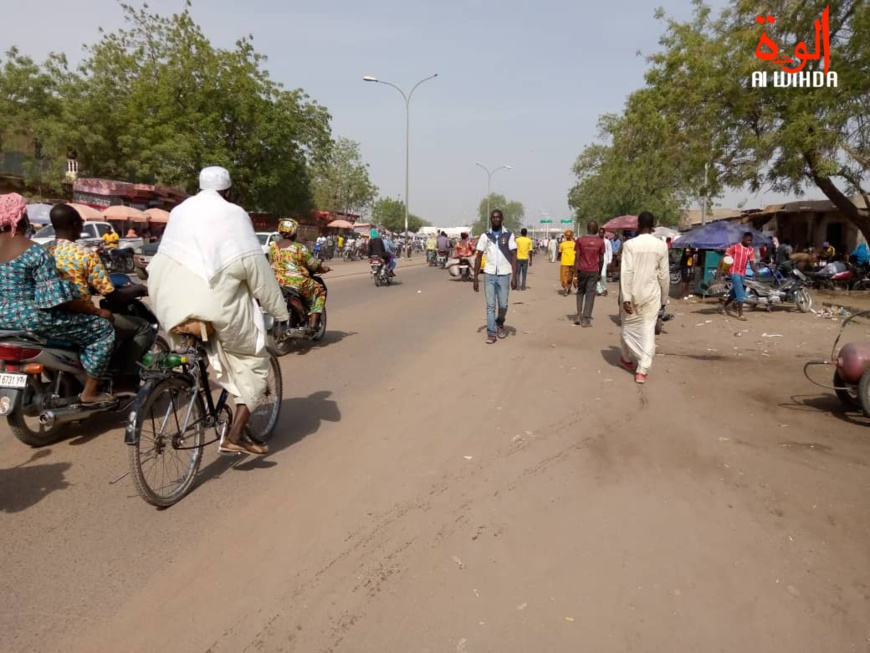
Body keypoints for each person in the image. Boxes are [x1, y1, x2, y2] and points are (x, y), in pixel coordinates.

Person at [147, 166, 290, 456]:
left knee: (197, 356)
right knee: (253, 362)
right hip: (214, 310)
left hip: (169, 306)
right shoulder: (235, 215)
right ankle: (235, 434)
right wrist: (281, 314)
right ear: (228, 191)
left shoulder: (179, 212)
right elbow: (258, 273)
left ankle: (196, 391)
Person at [0, 193, 116, 405]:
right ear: (21, 217)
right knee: (102, 329)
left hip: (2, 322)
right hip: (32, 320)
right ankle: (91, 391)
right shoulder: (34, 251)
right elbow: (56, 299)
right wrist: (97, 311)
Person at [47, 204, 152, 392]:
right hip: (82, 317)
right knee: (143, 328)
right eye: (81, 222)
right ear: (75, 224)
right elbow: (112, 295)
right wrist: (137, 289)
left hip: (50, 317)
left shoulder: (43, 251)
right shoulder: (84, 253)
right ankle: (123, 380)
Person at [618, 211, 669, 384]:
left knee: (627, 327)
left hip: (631, 292)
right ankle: (642, 369)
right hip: (651, 294)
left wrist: (626, 297)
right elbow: (664, 275)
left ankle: (627, 358)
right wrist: (664, 299)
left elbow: (626, 272)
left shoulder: (630, 245)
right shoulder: (661, 246)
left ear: (638, 225)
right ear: (653, 225)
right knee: (647, 330)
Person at [269, 218, 330, 331]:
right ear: (293, 233)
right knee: (320, 291)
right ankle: (313, 324)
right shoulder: (300, 248)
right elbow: (314, 266)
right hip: (296, 282)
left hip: (276, 282)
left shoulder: (273, 247)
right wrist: (324, 269)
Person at [473, 209, 517, 344]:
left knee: (503, 305)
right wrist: (475, 277)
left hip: (504, 274)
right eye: (493, 217)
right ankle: (491, 333)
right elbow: (478, 257)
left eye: (498, 217)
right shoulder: (485, 236)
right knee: (490, 306)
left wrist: (514, 277)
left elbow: (514, 255)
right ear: (491, 219)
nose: (496, 219)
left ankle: (500, 322)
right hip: (489, 274)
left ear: (502, 219)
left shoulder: (508, 235)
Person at [721, 231, 758, 322]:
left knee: (735, 292)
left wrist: (756, 271)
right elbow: (724, 257)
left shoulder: (750, 250)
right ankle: (740, 314)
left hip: (742, 273)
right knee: (740, 292)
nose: (749, 242)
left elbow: (752, 263)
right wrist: (720, 270)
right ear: (743, 239)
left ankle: (724, 306)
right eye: (747, 240)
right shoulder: (735, 247)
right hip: (733, 271)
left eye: (750, 240)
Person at [574, 221, 605, 327]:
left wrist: (575, 273)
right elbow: (601, 259)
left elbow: (577, 257)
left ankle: (578, 315)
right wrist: (600, 272)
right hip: (593, 271)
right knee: (590, 294)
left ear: (587, 228)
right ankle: (586, 319)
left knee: (580, 292)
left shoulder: (580, 240)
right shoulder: (600, 242)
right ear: (596, 229)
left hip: (581, 270)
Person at [558, 230, 576, 296]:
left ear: (565, 236)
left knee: (564, 276)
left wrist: (558, 257)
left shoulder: (562, 244)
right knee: (570, 276)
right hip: (572, 262)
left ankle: (565, 288)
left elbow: (560, 252)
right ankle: (568, 287)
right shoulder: (574, 244)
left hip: (564, 262)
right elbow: (576, 253)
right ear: (571, 236)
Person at [596, 227, 613, 295]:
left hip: (605, 260)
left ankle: (604, 288)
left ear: (604, 233)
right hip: (597, 260)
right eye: (599, 232)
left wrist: (609, 261)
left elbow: (610, 251)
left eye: (602, 232)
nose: (601, 233)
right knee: (597, 274)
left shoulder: (607, 241)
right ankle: (599, 290)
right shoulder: (596, 241)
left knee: (603, 274)